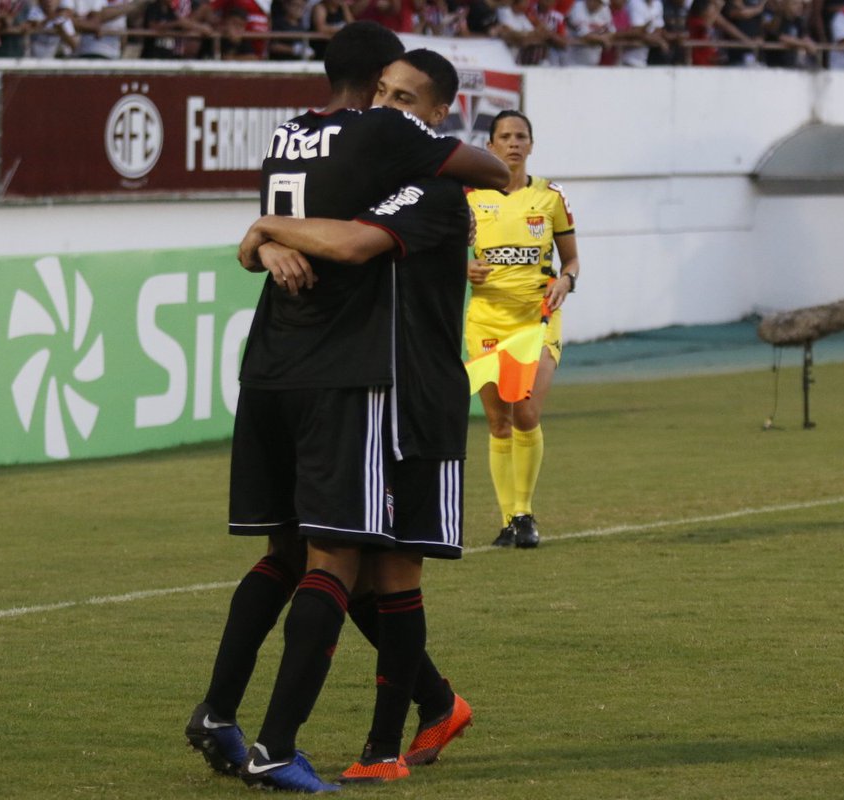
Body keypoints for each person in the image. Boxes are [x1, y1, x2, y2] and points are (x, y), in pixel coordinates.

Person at [183, 21, 507, 793]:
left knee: (381, 572)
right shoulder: (380, 159)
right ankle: (316, 731)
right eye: (387, 92)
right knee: (330, 560)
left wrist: (261, 231)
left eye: (408, 99)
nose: (391, 107)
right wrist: (261, 240)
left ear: (426, 116)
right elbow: (343, 235)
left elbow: (358, 243)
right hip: (344, 379)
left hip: (407, 390)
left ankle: (387, 739)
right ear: (374, 90)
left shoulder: (418, 185)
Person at [467, 110, 581, 549]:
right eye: (505, 137)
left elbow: (571, 259)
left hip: (537, 322)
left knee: (526, 411)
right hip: (487, 321)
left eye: (521, 136)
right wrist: (464, 267)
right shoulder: (471, 197)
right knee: (498, 422)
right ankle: (508, 521)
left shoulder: (550, 197)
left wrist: (567, 281)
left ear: (531, 145)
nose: (514, 143)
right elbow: (439, 255)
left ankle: (525, 513)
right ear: (491, 146)